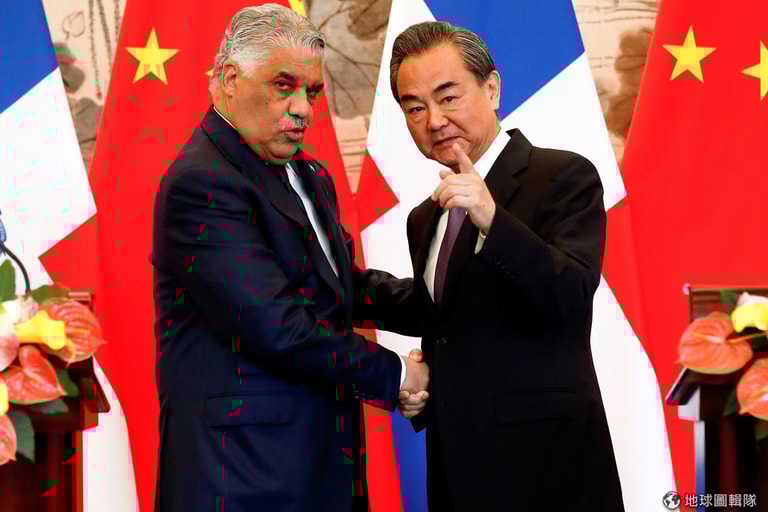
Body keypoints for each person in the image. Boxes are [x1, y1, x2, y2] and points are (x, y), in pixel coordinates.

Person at [150, 5, 428, 511]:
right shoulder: (200, 181)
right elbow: (274, 325)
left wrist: (441, 301)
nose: (303, 109)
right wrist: (397, 376)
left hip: (320, 466)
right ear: (230, 80)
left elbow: (337, 290)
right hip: (241, 477)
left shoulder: (309, 174)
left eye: (312, 92)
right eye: (284, 86)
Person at [391, 21, 624, 510]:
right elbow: (450, 318)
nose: (434, 120)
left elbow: (570, 294)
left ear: (492, 89)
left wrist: (491, 219)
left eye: (448, 97)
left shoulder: (563, 175)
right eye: (415, 107)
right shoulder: (424, 218)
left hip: (548, 471)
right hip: (457, 470)